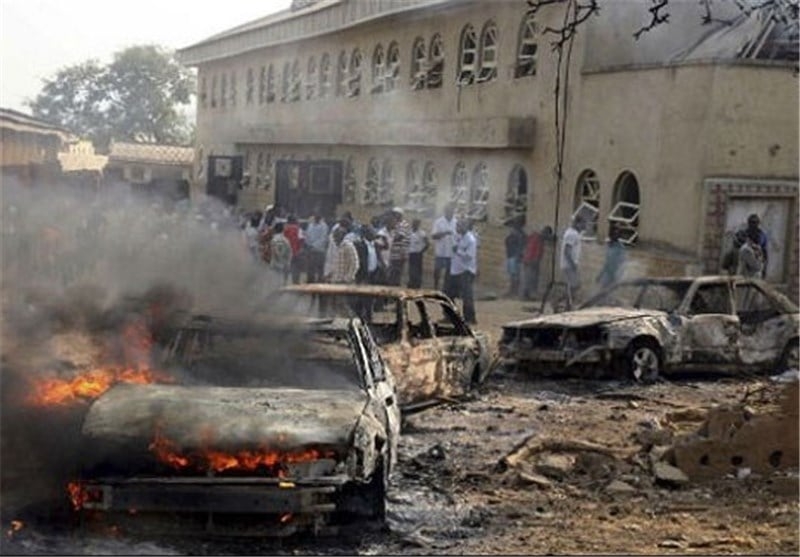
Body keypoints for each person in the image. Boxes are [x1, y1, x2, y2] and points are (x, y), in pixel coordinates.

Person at [451, 218, 478, 324]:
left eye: (459, 226)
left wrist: (457, 251)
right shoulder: (460, 237)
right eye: (457, 226)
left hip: (466, 271)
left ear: (465, 227)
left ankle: (470, 318)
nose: (457, 228)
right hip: (456, 270)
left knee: (467, 296)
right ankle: (451, 317)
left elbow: (469, 256)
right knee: (450, 294)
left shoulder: (470, 240)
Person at [431, 203, 457, 291]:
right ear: (445, 211)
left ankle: (446, 288)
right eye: (449, 211)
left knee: (449, 272)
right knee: (437, 270)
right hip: (440, 251)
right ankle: (435, 286)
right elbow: (433, 236)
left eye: (452, 211)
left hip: (451, 252)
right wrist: (444, 233)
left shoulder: (456, 222)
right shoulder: (438, 222)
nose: (451, 213)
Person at [559, 216, 585, 307]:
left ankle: (566, 303)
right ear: (577, 223)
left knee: (572, 285)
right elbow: (567, 251)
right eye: (583, 223)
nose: (584, 226)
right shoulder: (572, 234)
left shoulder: (573, 233)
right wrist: (572, 264)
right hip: (568, 265)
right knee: (575, 285)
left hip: (568, 264)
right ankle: (562, 301)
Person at [522, 225, 551, 300]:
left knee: (528, 278)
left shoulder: (533, 236)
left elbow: (527, 245)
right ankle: (529, 295)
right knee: (532, 278)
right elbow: (537, 251)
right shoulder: (539, 239)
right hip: (532, 260)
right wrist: (535, 260)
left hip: (527, 259)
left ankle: (526, 294)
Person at [596, 225, 626, 290]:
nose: (615, 236)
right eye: (613, 233)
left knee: (609, 292)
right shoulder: (608, 246)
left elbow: (622, 264)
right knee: (602, 291)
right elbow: (607, 263)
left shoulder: (620, 248)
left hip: (614, 275)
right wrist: (600, 275)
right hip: (607, 275)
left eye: (617, 234)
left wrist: (618, 277)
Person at [387, 207, 410, 286]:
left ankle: (395, 289)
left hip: (400, 254)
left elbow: (400, 237)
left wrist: (389, 238)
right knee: (393, 273)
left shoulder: (403, 224)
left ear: (399, 215)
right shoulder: (396, 224)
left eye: (394, 214)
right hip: (394, 253)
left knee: (396, 273)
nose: (393, 216)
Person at [304, 212, 329, 283]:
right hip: (311, 251)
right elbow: (307, 236)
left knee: (320, 269)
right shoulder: (310, 225)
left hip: (320, 251)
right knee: (310, 268)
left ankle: (320, 284)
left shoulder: (324, 226)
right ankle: (310, 283)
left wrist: (313, 245)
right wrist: (308, 244)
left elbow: (323, 238)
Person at [504, 217, 526, 297]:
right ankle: (512, 290)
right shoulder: (512, 235)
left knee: (515, 275)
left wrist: (518, 256)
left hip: (514, 256)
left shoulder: (519, 235)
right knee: (512, 274)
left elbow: (521, 246)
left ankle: (514, 291)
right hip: (510, 255)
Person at [407, 218, 429, 288]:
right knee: (411, 269)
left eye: (416, 223)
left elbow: (427, 244)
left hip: (418, 254)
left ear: (418, 224)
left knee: (418, 270)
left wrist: (421, 252)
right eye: (413, 223)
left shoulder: (422, 233)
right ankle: (411, 283)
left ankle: (417, 284)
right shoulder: (409, 232)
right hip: (411, 253)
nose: (414, 225)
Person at [283, 215, 304, 284]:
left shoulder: (285, 229)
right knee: (296, 268)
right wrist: (300, 249)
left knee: (285, 268)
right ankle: (295, 283)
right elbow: (301, 239)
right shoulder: (298, 229)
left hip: (286, 252)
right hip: (295, 251)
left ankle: (284, 282)